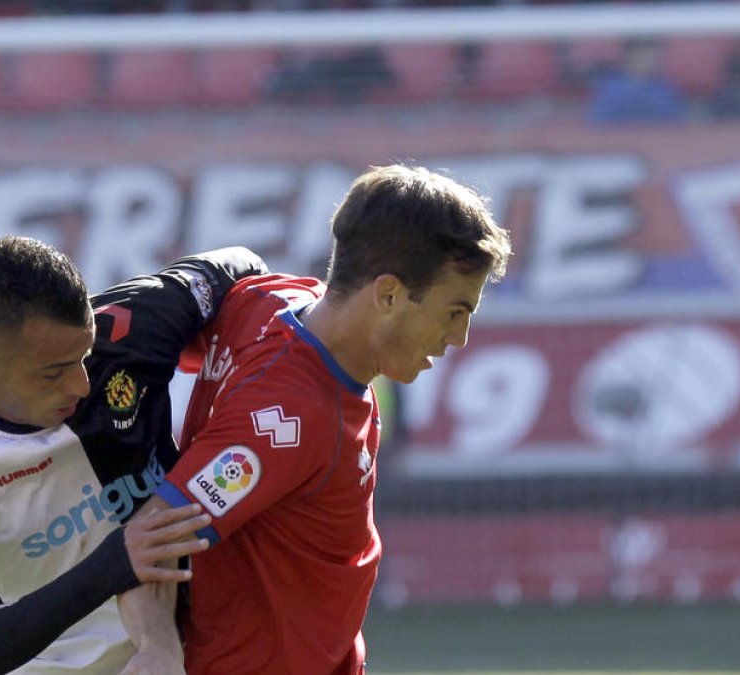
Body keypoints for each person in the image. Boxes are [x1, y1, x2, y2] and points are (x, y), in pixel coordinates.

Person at [142, 164, 513, 673]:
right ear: (387, 295)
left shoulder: (271, 300)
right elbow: (155, 531)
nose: (460, 337)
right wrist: (156, 646)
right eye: (455, 311)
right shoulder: (288, 419)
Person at [0, 235, 267, 674]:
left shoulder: (130, 327)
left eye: (83, 355)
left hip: (191, 649)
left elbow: (243, 264)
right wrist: (114, 564)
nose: (82, 385)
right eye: (53, 373)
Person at [586, 38, 687, 126]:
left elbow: (675, 124)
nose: (648, 60)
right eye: (642, 54)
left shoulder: (665, 91)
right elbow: (598, 123)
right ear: (629, 56)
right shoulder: (610, 90)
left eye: (652, 55)